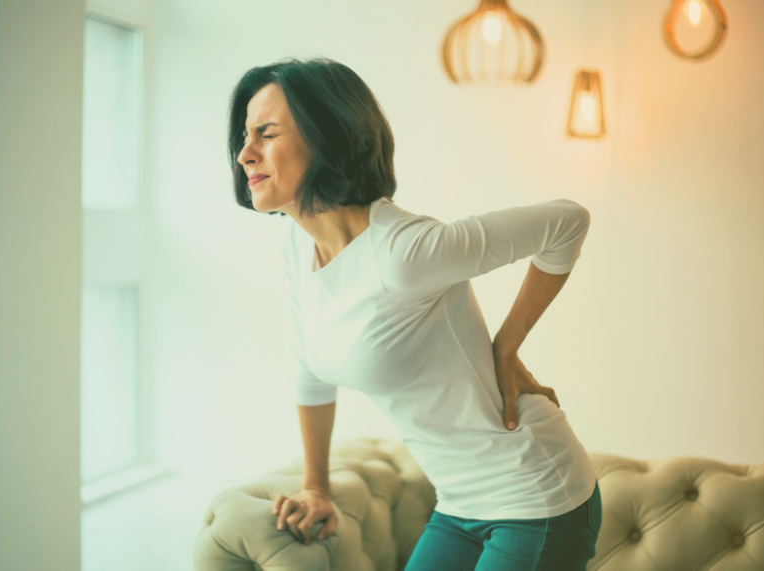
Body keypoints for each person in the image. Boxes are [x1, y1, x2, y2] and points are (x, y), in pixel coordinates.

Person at [227, 56, 602, 571]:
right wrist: (317, 487)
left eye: (265, 134)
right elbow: (311, 372)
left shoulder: (402, 252)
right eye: (244, 137)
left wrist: (506, 344)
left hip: (535, 495)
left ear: (327, 136)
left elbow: (567, 223)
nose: (245, 153)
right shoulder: (299, 247)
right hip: (457, 503)